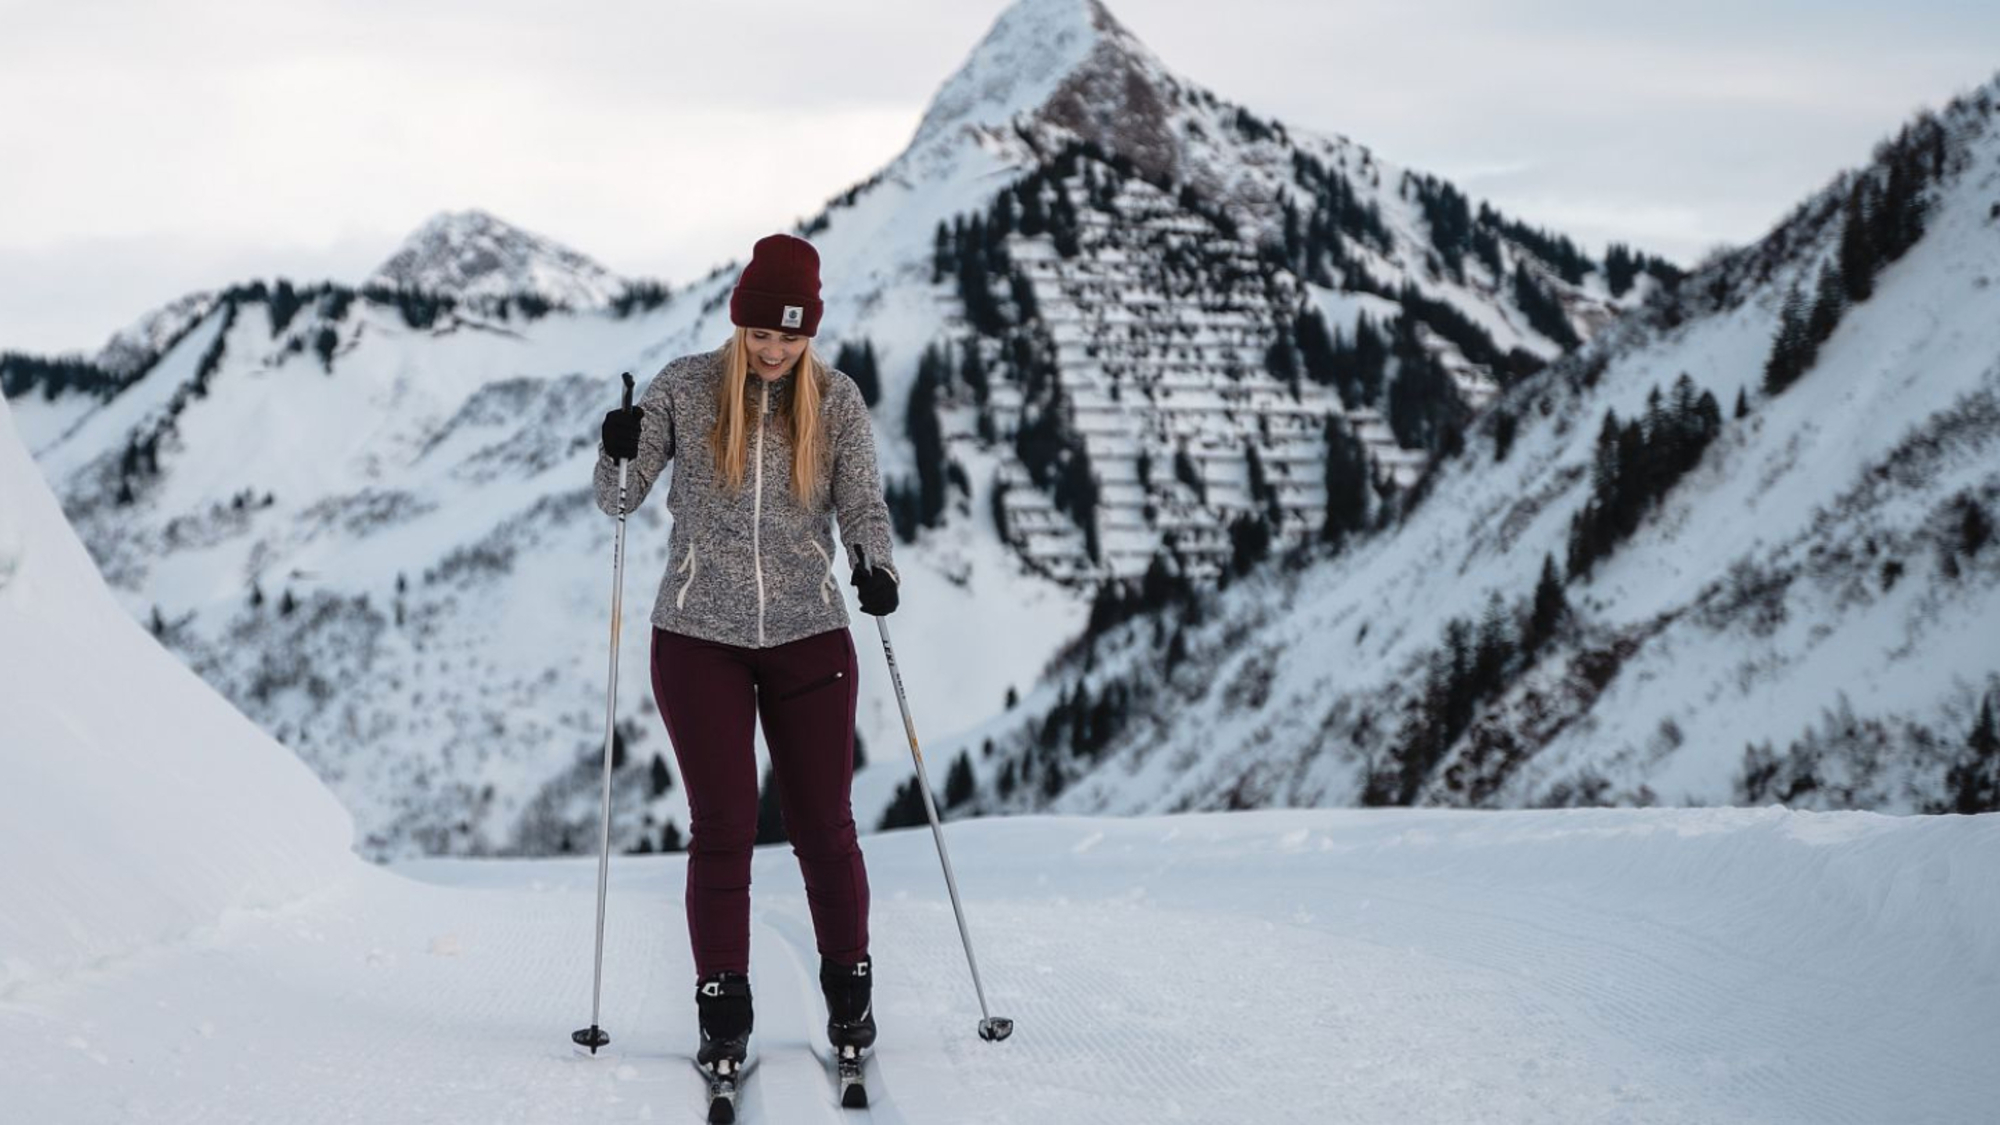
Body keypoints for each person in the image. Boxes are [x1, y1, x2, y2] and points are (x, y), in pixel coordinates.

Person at [592, 233, 899, 1074]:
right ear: (740, 324)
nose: (773, 351)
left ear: (811, 335)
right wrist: (617, 443)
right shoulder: (686, 388)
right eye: (762, 334)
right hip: (698, 638)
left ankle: (850, 990)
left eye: (790, 337)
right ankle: (723, 1006)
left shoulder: (835, 401)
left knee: (824, 827)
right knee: (723, 826)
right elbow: (619, 498)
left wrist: (877, 566)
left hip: (811, 636)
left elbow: (862, 505)